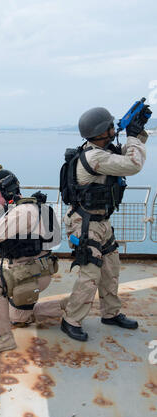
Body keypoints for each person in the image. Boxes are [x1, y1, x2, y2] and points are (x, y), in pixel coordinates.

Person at [60, 105, 151, 341]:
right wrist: (132, 135)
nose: (113, 129)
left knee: (111, 269)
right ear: (100, 132)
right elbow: (133, 164)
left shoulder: (103, 150)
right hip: (85, 223)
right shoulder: (95, 157)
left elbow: (127, 153)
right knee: (90, 273)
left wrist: (138, 132)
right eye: (110, 126)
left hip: (100, 220)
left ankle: (110, 313)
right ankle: (70, 320)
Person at [0, 165, 61, 353]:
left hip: (34, 272)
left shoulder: (23, 211)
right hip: (28, 270)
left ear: (7, 192)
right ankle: (67, 307)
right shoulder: (12, 208)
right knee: (17, 317)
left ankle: (3, 339)